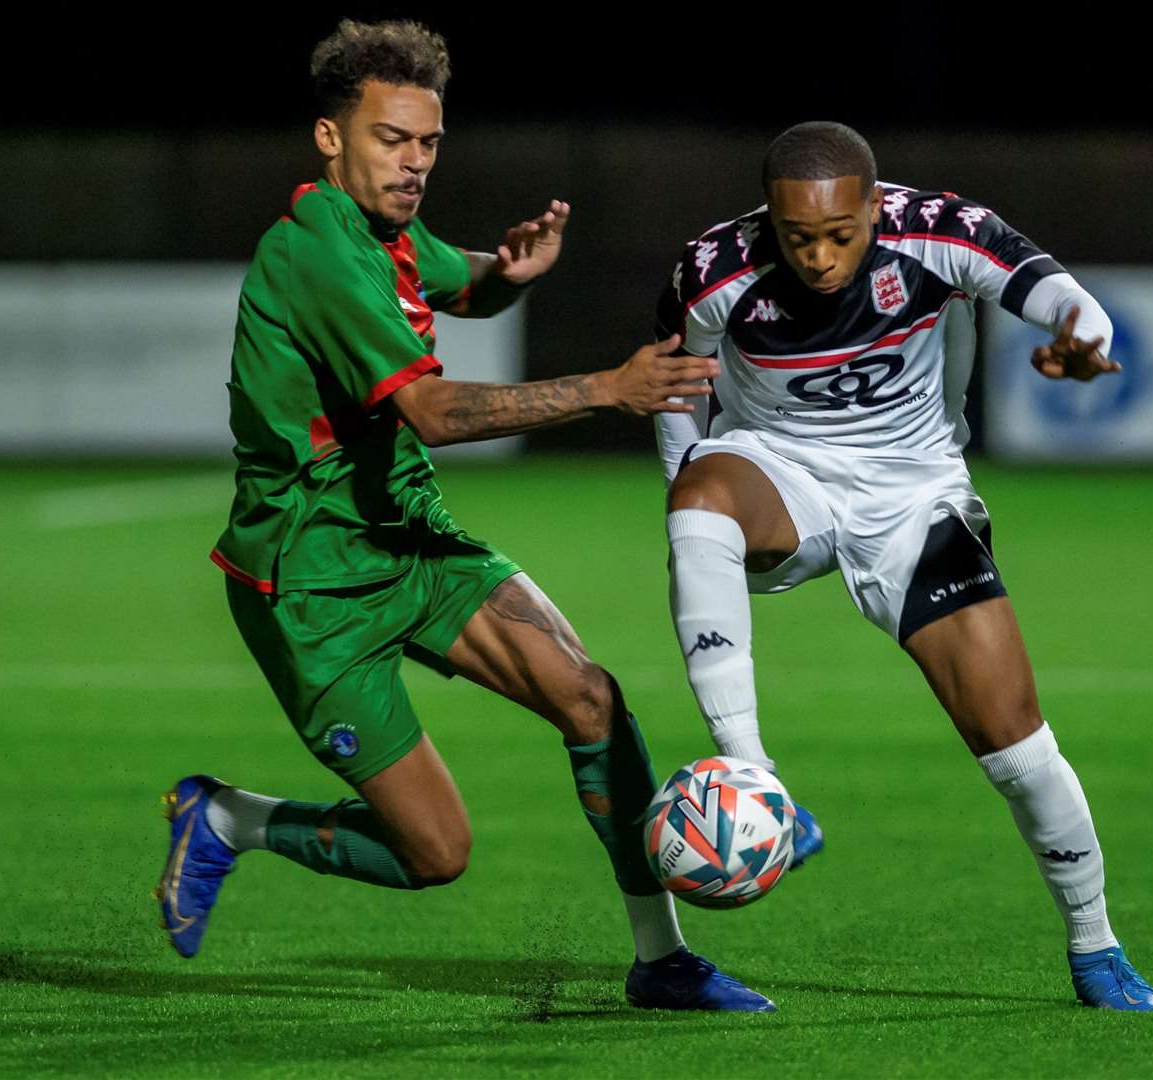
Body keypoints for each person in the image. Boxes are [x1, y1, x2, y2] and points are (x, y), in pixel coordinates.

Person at [156, 18, 775, 1013]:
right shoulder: (315, 250)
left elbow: (455, 279)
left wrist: (504, 272)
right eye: (390, 139)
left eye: (428, 143)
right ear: (330, 137)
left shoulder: (384, 233)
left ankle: (662, 960)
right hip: (312, 589)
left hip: (411, 543)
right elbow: (433, 412)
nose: (413, 164)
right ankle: (229, 819)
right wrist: (607, 390)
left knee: (591, 701)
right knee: (434, 855)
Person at [651, 121, 1153, 1011]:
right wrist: (691, 515)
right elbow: (673, 391)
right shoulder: (712, 271)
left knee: (1015, 745)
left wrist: (1081, 338)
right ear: (768, 217)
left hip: (914, 496)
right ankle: (756, 781)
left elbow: (1061, 297)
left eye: (838, 235)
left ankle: (1095, 943)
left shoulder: (937, 230)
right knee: (700, 496)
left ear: (872, 208)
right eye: (796, 236)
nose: (816, 257)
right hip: (781, 470)